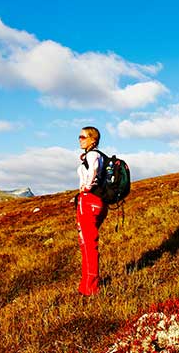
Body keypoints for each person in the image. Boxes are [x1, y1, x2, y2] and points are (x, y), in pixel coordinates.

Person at [76, 126, 108, 295]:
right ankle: (86, 285)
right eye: (79, 137)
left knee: (88, 244)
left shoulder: (92, 155)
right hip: (100, 202)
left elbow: (93, 170)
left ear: (93, 140)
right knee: (87, 243)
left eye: (83, 137)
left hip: (89, 200)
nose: (80, 140)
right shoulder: (99, 156)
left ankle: (90, 288)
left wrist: (87, 187)